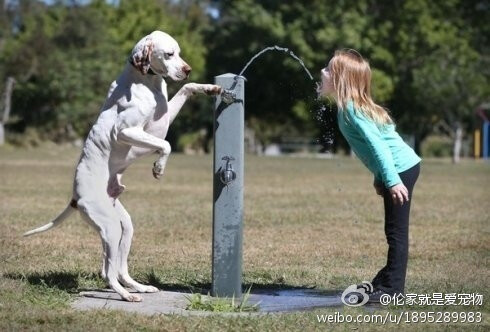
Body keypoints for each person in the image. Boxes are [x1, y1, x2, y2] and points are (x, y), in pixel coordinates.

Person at [317, 49, 421, 303]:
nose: (322, 72)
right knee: (393, 230)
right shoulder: (348, 108)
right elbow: (381, 142)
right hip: (397, 169)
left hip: (400, 170)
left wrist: (392, 180)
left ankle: (393, 290)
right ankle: (385, 281)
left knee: (396, 232)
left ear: (340, 79)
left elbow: (379, 147)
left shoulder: (352, 109)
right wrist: (380, 178)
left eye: (329, 70)